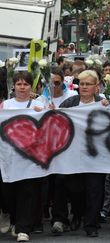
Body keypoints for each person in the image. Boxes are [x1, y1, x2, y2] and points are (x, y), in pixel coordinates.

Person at [51, 70, 109, 238]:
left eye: (88, 84)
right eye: (81, 84)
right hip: (73, 155)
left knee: (95, 189)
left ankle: (91, 224)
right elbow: (58, 121)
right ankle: (78, 214)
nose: (84, 87)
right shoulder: (70, 102)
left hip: (96, 155)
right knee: (75, 188)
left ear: (96, 87)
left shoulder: (103, 102)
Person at [0, 72, 44, 242]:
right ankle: (12, 218)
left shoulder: (38, 104)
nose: (22, 87)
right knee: (8, 192)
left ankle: (23, 229)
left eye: (25, 84)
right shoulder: (5, 105)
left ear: (31, 86)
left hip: (30, 159)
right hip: (9, 158)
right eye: (19, 84)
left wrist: (46, 112)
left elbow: (49, 122)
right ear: (14, 86)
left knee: (28, 192)